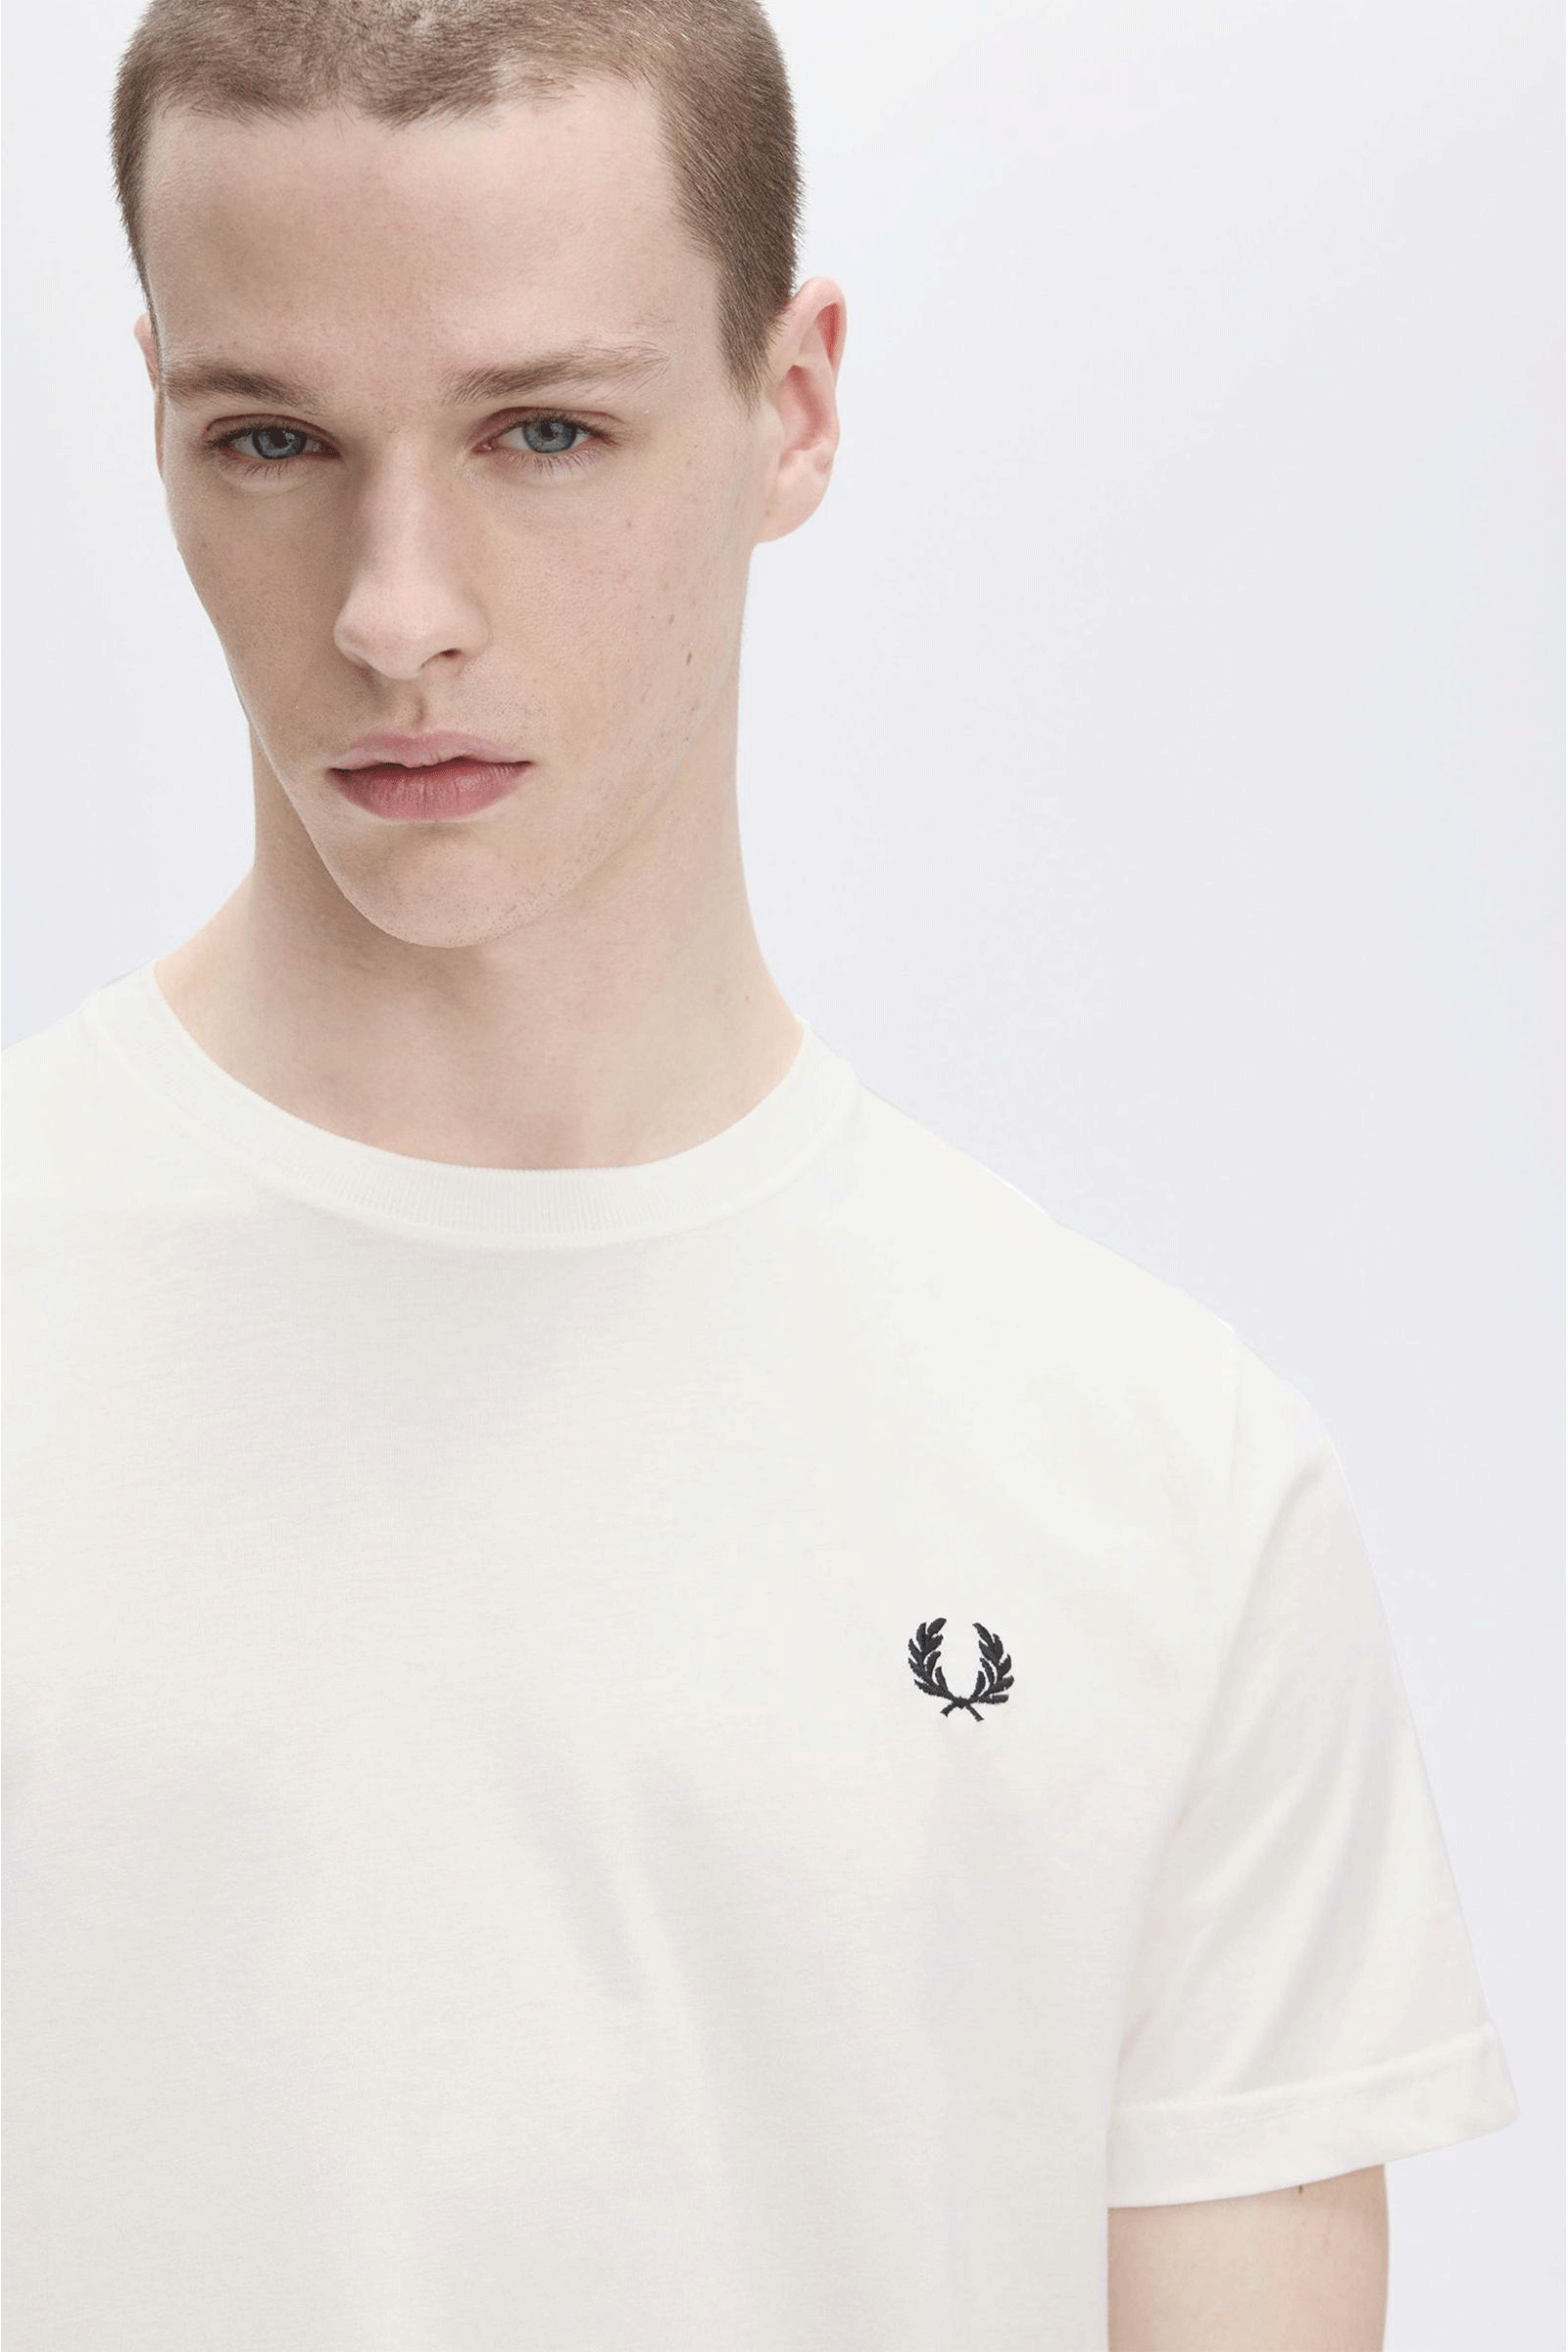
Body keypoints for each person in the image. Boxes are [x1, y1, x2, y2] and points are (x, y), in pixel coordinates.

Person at [0, 1, 1520, 2344]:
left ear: (790, 404)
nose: (395, 610)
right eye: (273, 437)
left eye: (543, 431)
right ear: (161, 423)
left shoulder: (1158, 1486)